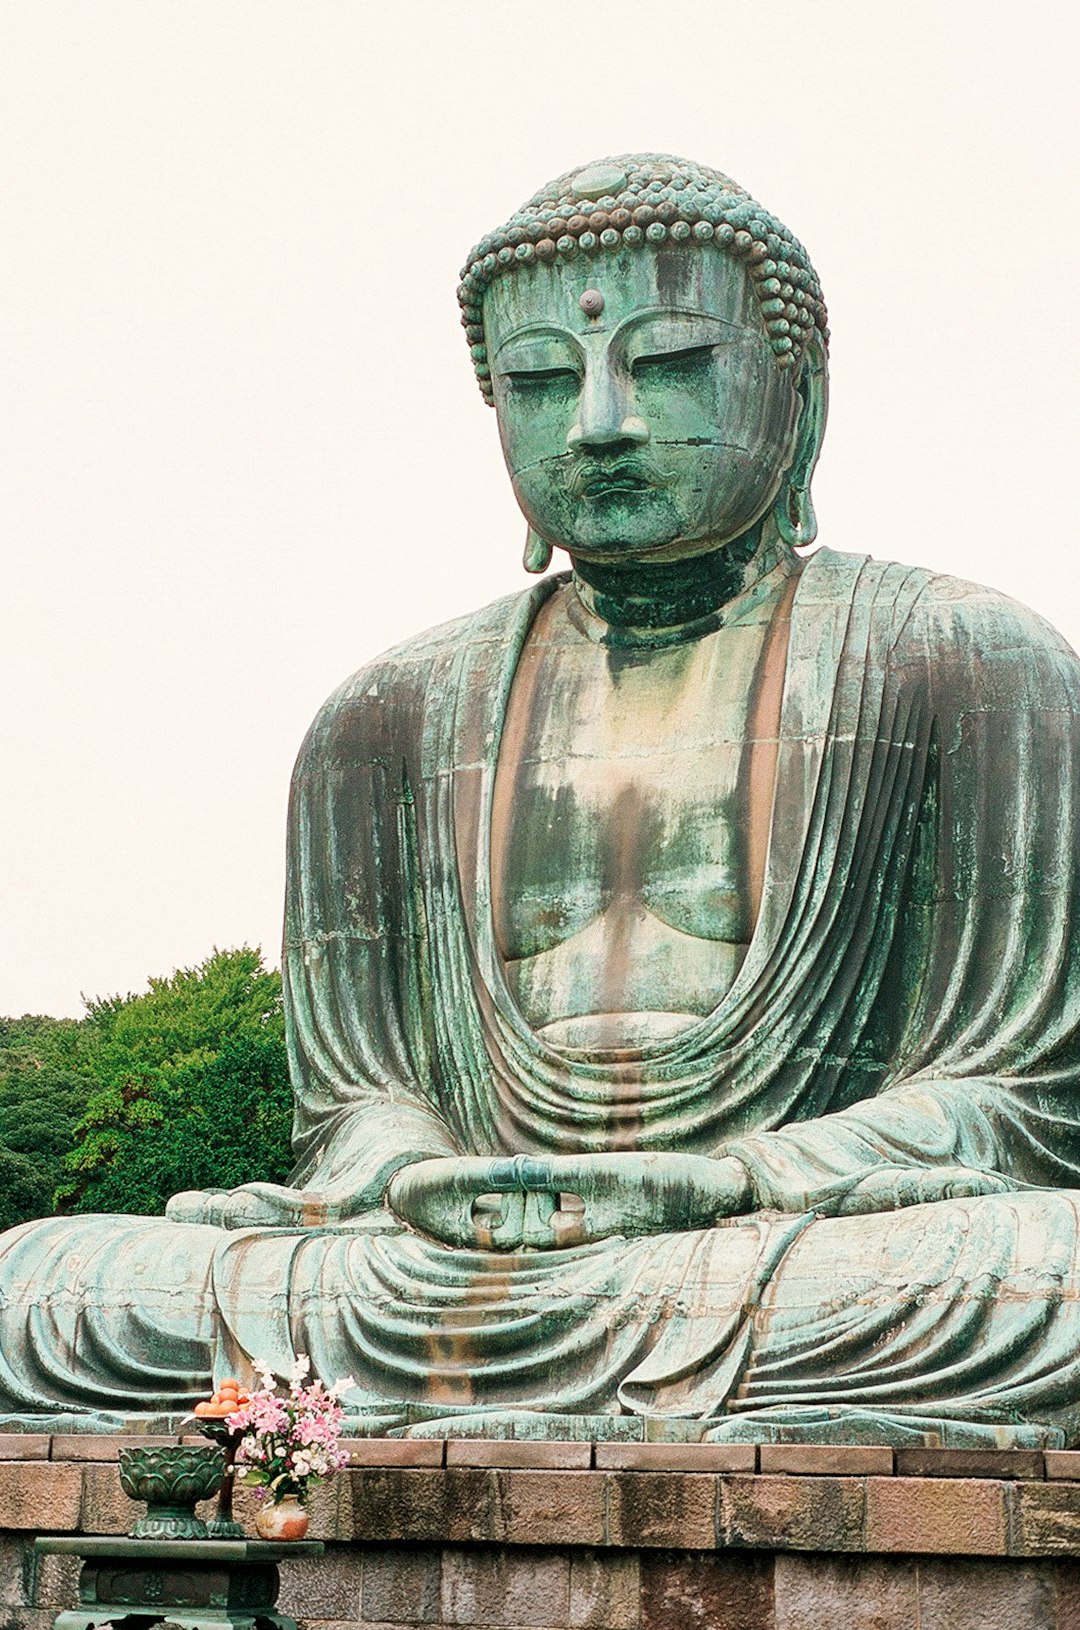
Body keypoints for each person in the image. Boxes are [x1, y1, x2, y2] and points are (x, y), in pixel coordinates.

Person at [4, 154, 1080, 1447]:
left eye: (670, 363)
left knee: (1045, 1273)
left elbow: (1014, 1098)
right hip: (438, 1267)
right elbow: (362, 1102)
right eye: (540, 383)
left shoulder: (968, 664)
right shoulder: (383, 719)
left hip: (785, 1247)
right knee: (45, 1283)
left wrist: (728, 1177)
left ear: (800, 402)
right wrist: (410, 1176)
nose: (602, 423)